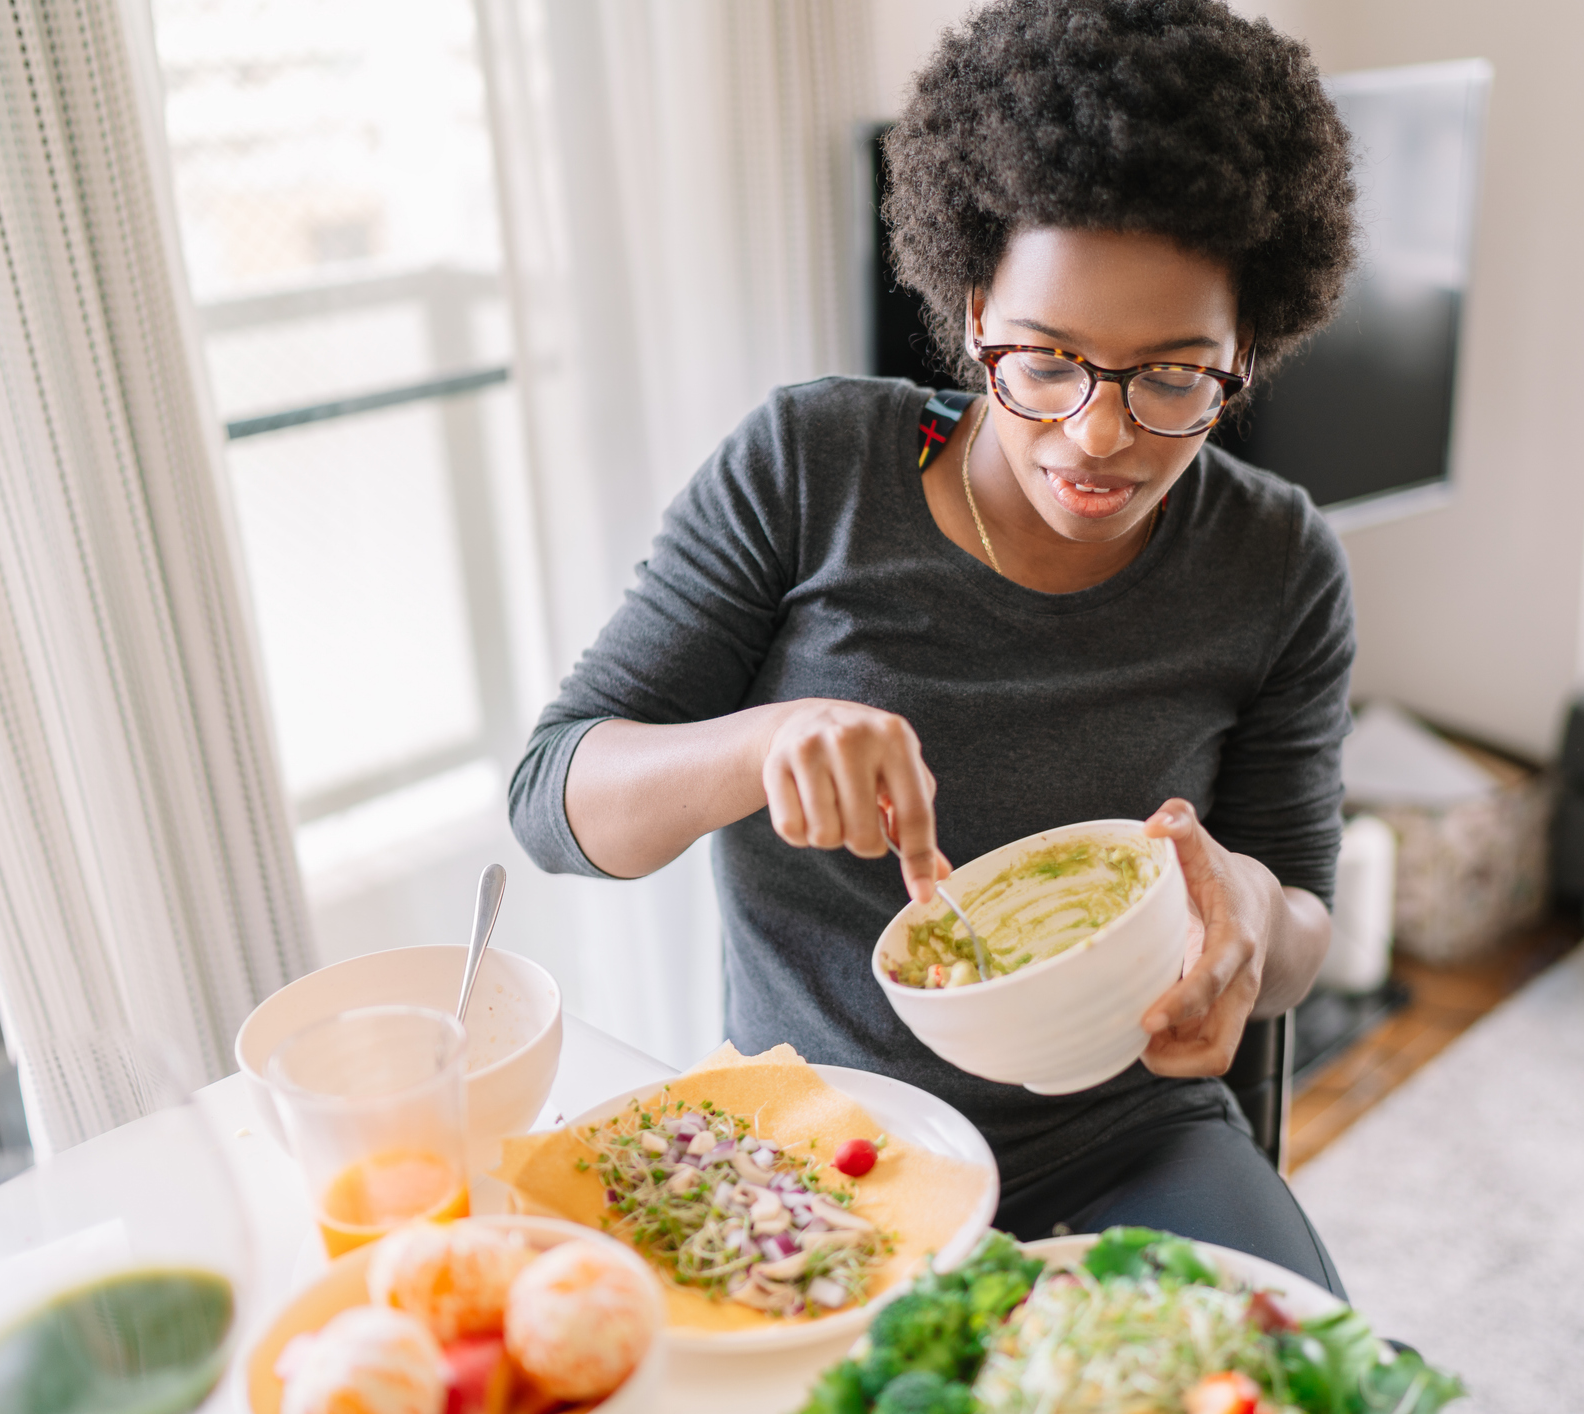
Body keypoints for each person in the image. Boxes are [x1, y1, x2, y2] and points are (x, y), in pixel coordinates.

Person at [511, 0, 1357, 1295]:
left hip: (1127, 1140)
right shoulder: (809, 471)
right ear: (972, 307)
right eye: (1047, 360)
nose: (1096, 436)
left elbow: (1301, 927)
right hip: (832, 1152)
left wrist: (1247, 909)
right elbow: (555, 803)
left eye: (1174, 375)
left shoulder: (1276, 561)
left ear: (1248, 348)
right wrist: (767, 740)